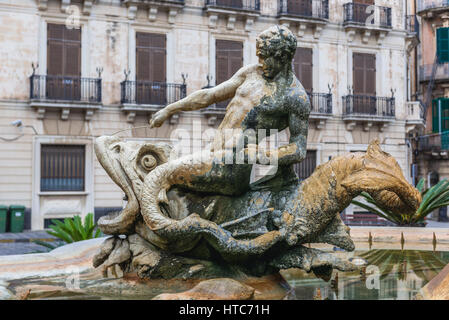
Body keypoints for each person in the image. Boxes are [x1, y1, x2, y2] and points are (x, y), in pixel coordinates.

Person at [148, 25, 311, 196]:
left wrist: (264, 154)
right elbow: (210, 95)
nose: (260, 63)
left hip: (232, 166)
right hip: (213, 151)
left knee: (160, 175)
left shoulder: (295, 97)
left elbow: (298, 148)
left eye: (264, 57)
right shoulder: (251, 73)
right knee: (161, 176)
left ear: (283, 57)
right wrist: (169, 109)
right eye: (259, 57)